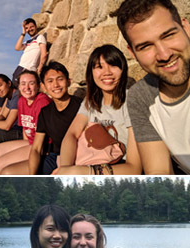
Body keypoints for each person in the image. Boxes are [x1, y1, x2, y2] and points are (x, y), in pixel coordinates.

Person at [113, 0, 190, 174]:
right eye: (146, 46)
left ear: (186, 27)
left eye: (168, 35)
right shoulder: (141, 97)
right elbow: (160, 173)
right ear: (132, 53)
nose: (164, 54)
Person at [57, 45, 142, 175]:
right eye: (99, 67)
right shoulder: (91, 101)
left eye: (113, 65)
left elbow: (133, 168)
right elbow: (71, 134)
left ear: (123, 69)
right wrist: (65, 168)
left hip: (117, 166)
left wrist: (82, 172)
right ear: (91, 72)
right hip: (87, 160)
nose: (107, 72)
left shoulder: (131, 100)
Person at [0, 70, 51, 174]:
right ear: (18, 86)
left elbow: (41, 139)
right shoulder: (22, 101)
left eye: (31, 83)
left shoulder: (42, 102)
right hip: (31, 142)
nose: (27, 88)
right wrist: (24, 145)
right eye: (23, 84)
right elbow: (25, 128)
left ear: (38, 86)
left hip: (43, 146)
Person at [28, 62, 82, 174]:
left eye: (60, 79)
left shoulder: (81, 107)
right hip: (55, 156)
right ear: (43, 86)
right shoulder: (45, 112)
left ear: (68, 81)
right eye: (50, 81)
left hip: (80, 156)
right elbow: (36, 148)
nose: (56, 85)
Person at [12, 17, 48, 87]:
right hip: (20, 67)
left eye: (31, 27)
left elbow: (44, 54)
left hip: (28, 68)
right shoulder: (28, 42)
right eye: (27, 28)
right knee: (16, 91)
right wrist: (23, 33)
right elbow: (17, 48)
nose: (30, 29)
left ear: (36, 26)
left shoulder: (40, 37)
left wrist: (39, 69)